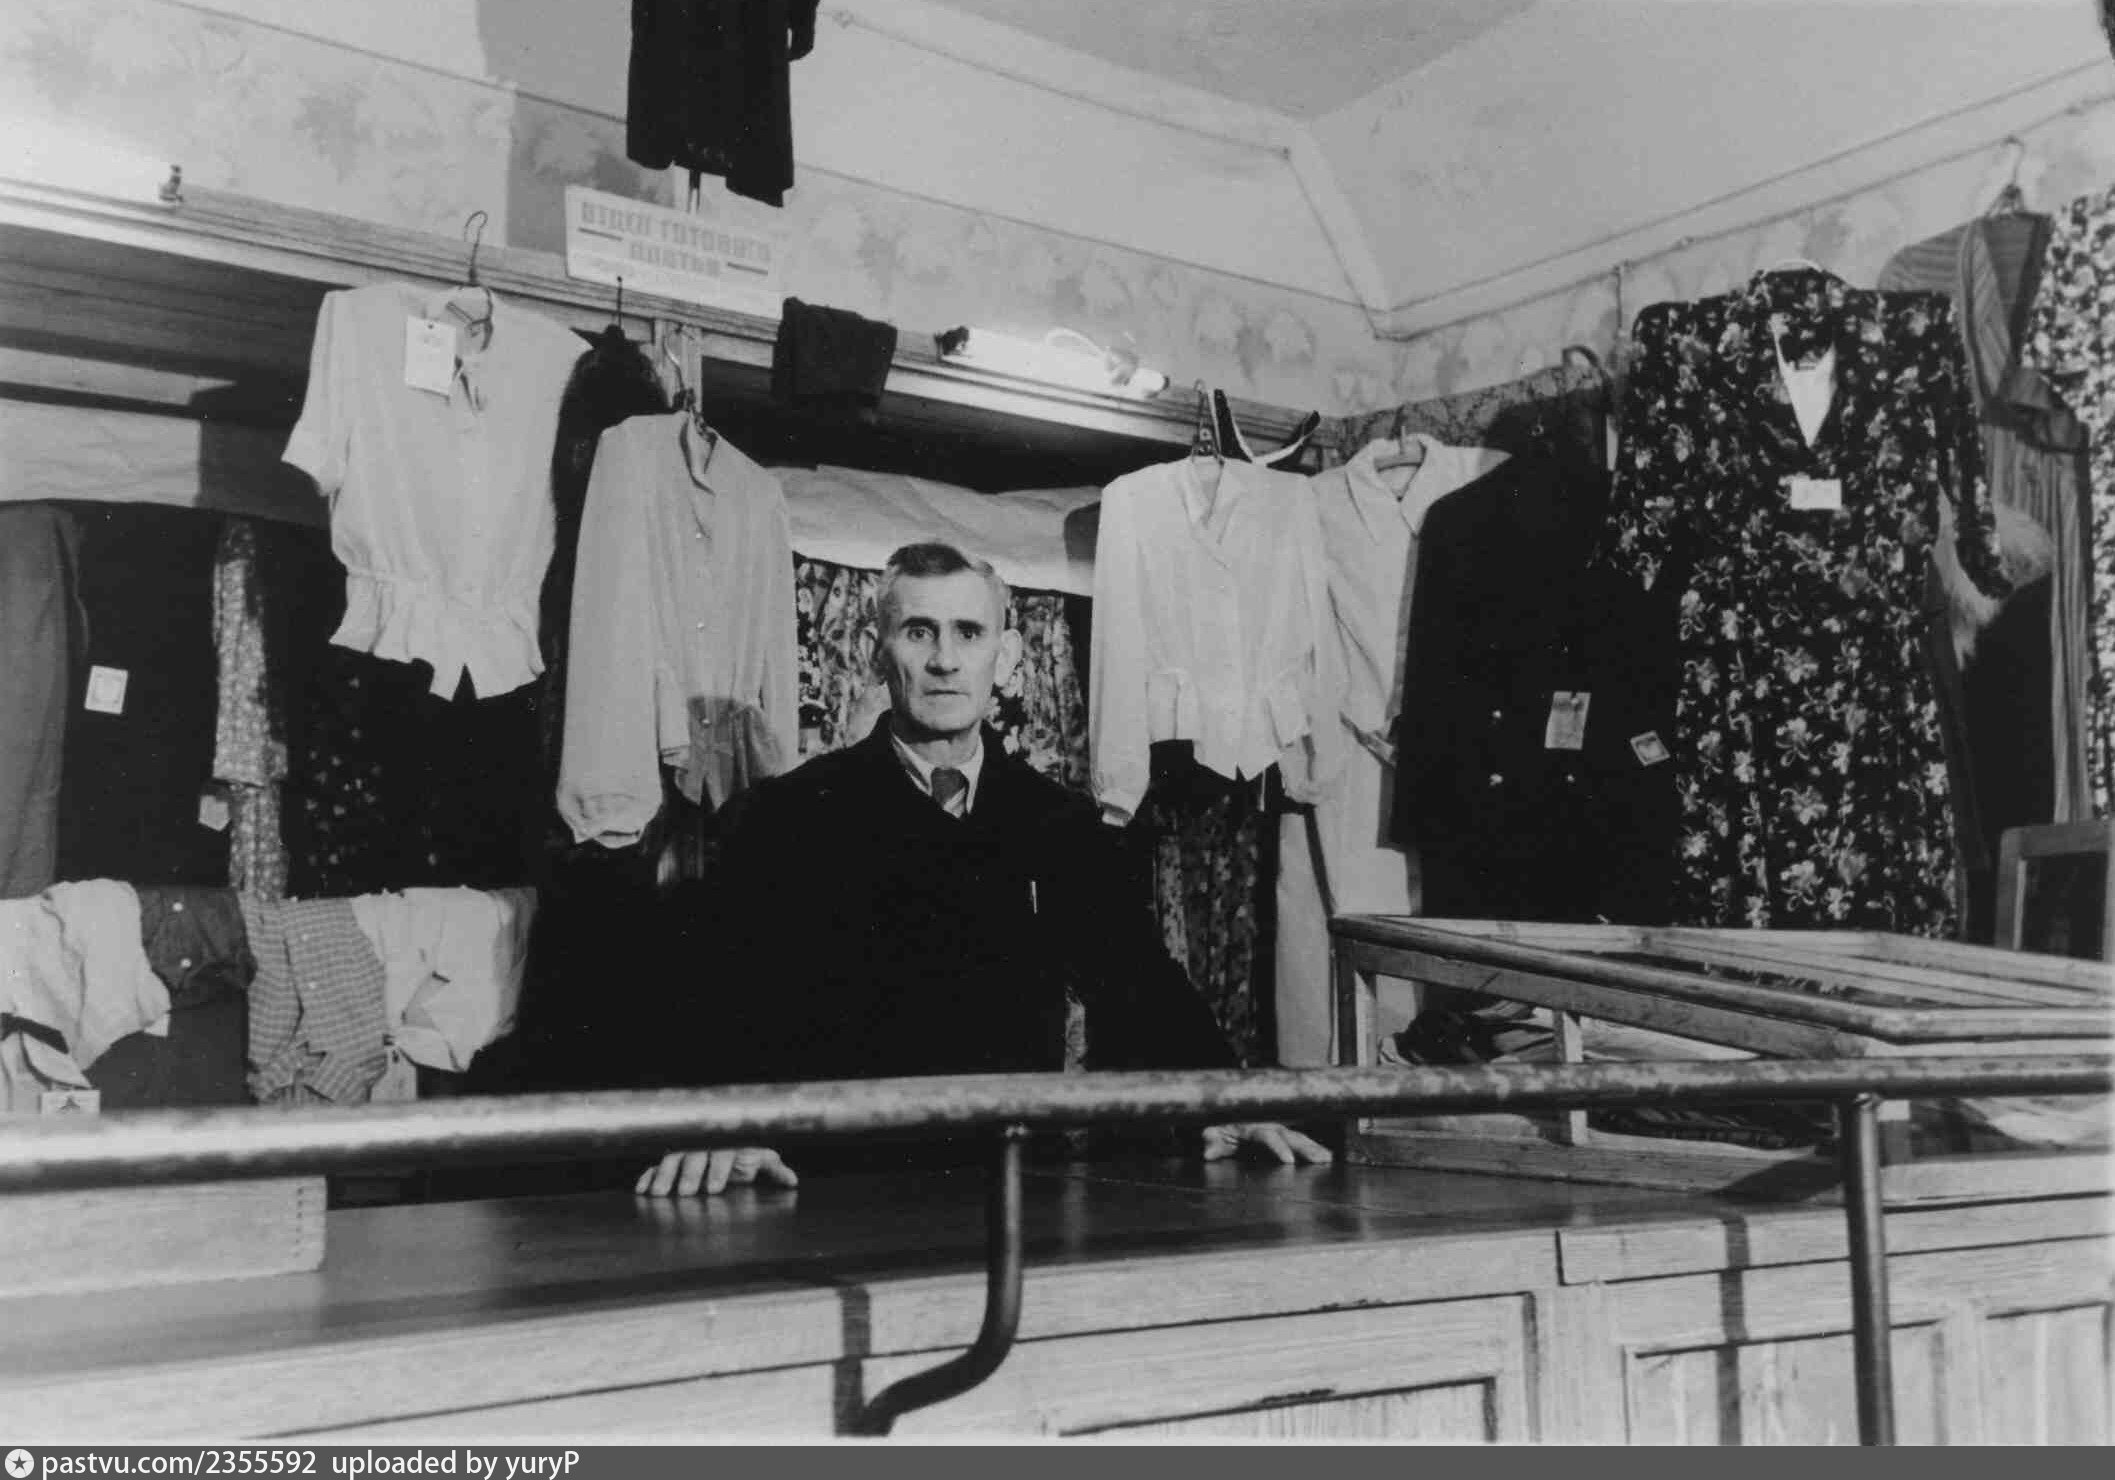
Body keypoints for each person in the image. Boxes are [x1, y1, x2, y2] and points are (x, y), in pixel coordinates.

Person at [637, 541, 1331, 1196]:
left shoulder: (1055, 821)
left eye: (968, 634)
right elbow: (715, 988)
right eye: (918, 632)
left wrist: (1228, 1103)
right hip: (837, 1186)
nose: (945, 660)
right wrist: (718, 1127)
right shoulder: (788, 813)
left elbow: (1137, 977)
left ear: (1006, 656)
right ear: (876, 651)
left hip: (1008, 1184)